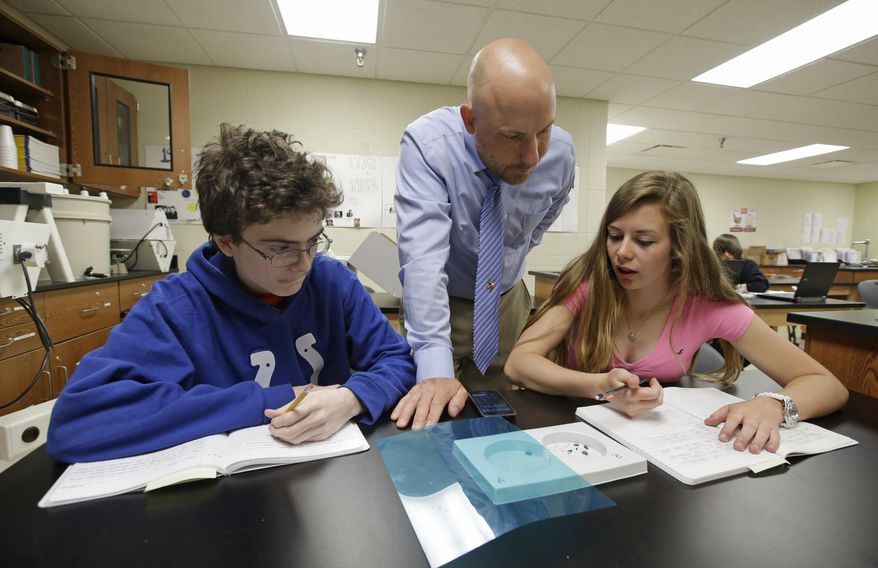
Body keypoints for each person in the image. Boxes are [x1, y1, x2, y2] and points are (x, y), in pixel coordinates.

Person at [47, 124, 416, 463]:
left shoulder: (332, 280)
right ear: (226, 241)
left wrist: (353, 397)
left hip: (331, 473)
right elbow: (79, 423)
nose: (304, 264)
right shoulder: (175, 309)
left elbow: (398, 361)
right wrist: (276, 400)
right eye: (281, 249)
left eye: (313, 242)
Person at [505, 171, 848, 454]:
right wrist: (598, 387)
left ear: (679, 247)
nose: (621, 252)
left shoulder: (710, 306)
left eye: (644, 241)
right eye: (614, 236)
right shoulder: (589, 282)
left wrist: (774, 404)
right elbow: (519, 363)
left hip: (657, 450)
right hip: (567, 438)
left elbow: (826, 385)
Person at [392, 38, 576, 430]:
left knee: (500, 416)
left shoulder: (560, 153)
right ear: (471, 120)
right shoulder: (427, 147)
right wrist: (435, 370)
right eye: (513, 137)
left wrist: (509, 255)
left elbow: (545, 217)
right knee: (434, 414)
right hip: (444, 301)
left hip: (508, 303)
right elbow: (423, 263)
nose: (533, 156)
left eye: (543, 130)